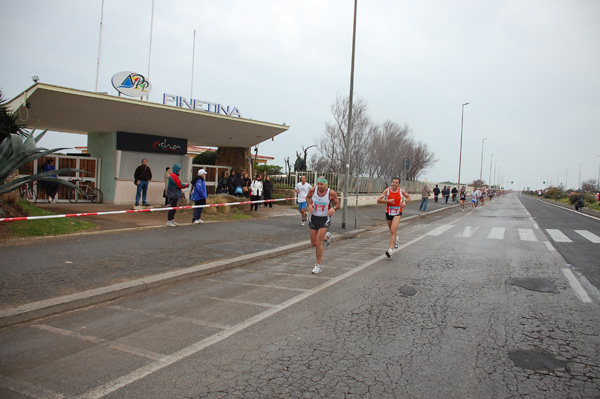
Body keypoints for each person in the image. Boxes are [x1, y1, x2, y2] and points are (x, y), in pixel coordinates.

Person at [306, 176, 340, 274]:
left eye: (321, 184)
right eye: (318, 184)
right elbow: (307, 198)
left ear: (326, 185)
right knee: (313, 243)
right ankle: (326, 237)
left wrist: (333, 208)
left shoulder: (331, 193)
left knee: (317, 242)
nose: (319, 186)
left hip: (324, 218)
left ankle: (318, 265)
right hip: (314, 217)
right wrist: (309, 205)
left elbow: (338, 204)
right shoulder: (313, 190)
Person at [377, 177, 410, 258]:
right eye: (393, 182)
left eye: (396, 183)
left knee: (392, 230)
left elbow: (408, 197)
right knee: (392, 230)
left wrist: (405, 202)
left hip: (398, 211)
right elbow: (378, 201)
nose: (395, 184)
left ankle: (390, 250)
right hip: (389, 212)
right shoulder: (387, 191)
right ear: (391, 183)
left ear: (399, 184)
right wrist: (388, 201)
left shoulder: (401, 191)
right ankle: (396, 239)